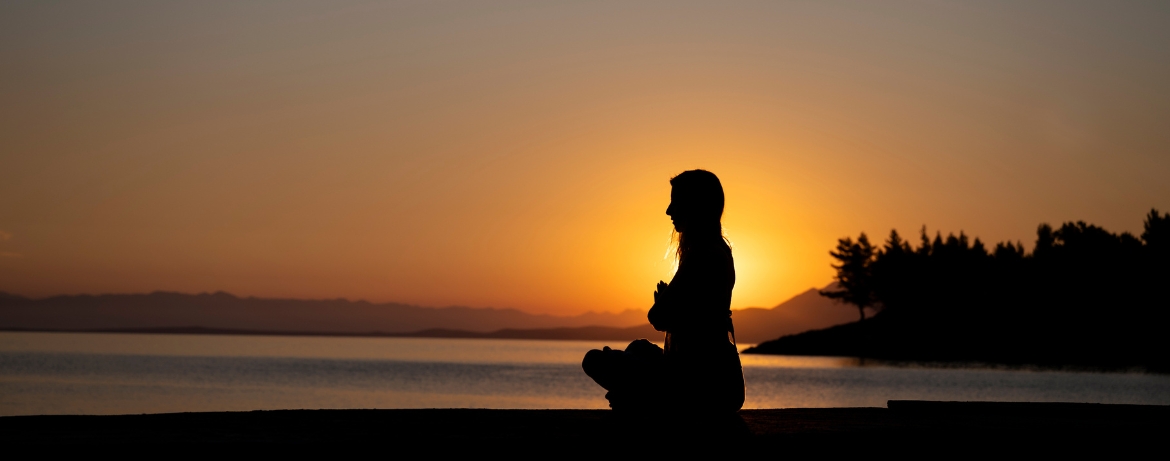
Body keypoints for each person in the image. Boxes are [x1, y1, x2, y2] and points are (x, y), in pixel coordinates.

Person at [582, 169, 745, 414]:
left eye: (675, 203)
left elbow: (659, 317)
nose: (669, 211)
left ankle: (637, 401)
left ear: (695, 206)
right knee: (639, 348)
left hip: (704, 389)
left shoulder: (703, 256)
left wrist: (664, 304)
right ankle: (636, 398)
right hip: (717, 384)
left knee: (594, 360)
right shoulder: (715, 251)